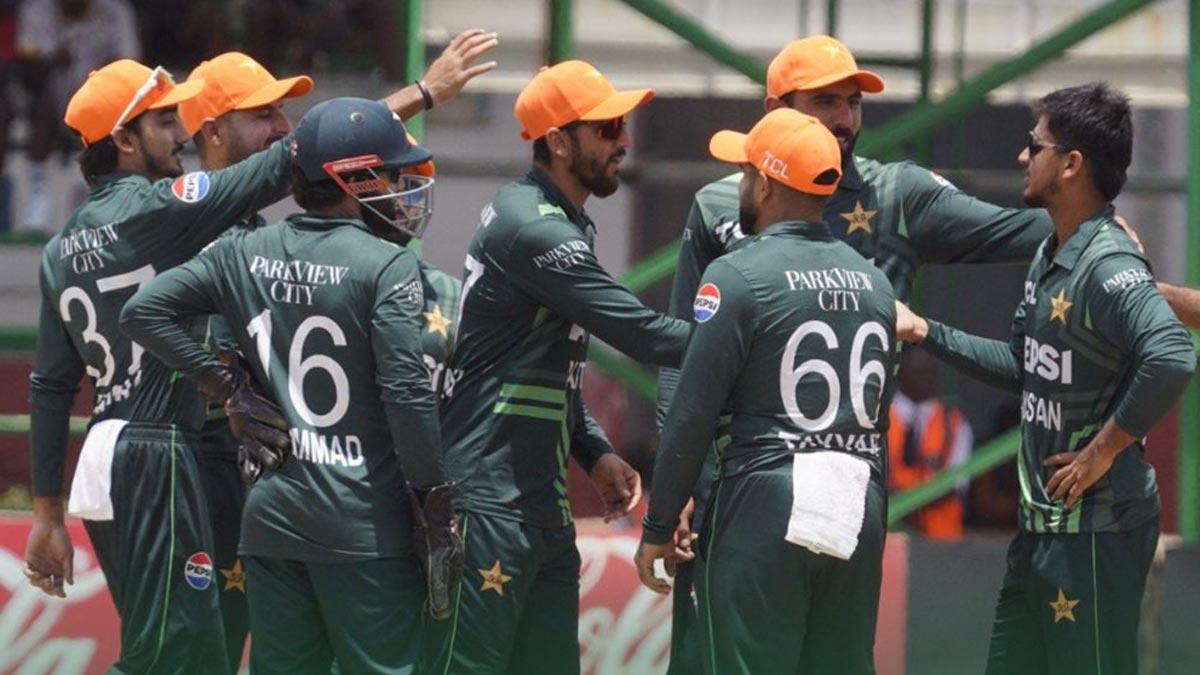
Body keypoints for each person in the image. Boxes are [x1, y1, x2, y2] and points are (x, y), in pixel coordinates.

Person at [655, 35, 1200, 673]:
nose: (844, 118)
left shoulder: (896, 193)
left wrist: (1107, 249)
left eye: (853, 102)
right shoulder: (720, 203)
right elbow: (680, 353)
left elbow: (1030, 228)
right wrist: (681, 485)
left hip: (846, 479)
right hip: (733, 480)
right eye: (825, 101)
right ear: (775, 105)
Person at [24, 33, 498, 670]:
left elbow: (53, 387)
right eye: (166, 122)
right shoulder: (172, 207)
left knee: (205, 655)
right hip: (166, 449)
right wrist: (420, 95)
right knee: (172, 656)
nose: (182, 132)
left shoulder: (62, 248)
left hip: (135, 449)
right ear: (126, 142)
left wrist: (46, 513)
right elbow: (295, 161)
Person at [121, 97, 461, 675]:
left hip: (272, 521)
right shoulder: (387, 265)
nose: (399, 188)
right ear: (351, 178)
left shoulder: (242, 250)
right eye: (388, 173)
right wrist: (433, 501)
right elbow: (405, 394)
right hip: (364, 522)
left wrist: (226, 387)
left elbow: (142, 312)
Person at [895, 82, 1195, 675]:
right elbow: (1025, 367)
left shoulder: (1108, 262)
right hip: (1042, 532)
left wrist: (1100, 453)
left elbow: (1172, 354)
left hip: (1095, 533)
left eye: (1034, 145)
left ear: (1071, 164)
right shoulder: (1051, 254)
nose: (1022, 158)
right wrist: (926, 331)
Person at [426, 60, 691, 675]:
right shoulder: (535, 228)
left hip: (534, 503)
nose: (624, 139)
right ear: (558, 140)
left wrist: (593, 451)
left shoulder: (563, 219)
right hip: (488, 502)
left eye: (622, 124)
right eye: (607, 128)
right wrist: (755, 336)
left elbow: (546, 369)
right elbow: (641, 332)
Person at [636, 108, 897, 675]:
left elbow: (692, 413)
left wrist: (658, 527)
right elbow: (879, 423)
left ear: (765, 182)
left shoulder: (734, 275)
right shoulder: (876, 284)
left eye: (746, 170)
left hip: (766, 499)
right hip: (858, 501)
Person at [16, 0, 141, 230]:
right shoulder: (36, 10)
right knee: (40, 105)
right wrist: (53, 61)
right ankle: (38, 195)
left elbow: (133, 69)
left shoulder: (115, 12)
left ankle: (102, 190)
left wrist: (108, 72)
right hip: (52, 106)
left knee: (120, 108)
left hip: (100, 106)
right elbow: (27, 73)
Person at [887, 347, 973, 539]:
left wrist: (911, 503)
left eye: (929, 372)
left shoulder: (954, 421)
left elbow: (957, 483)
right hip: (889, 538)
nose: (925, 378)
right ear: (900, 373)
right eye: (917, 372)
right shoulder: (878, 418)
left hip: (941, 542)